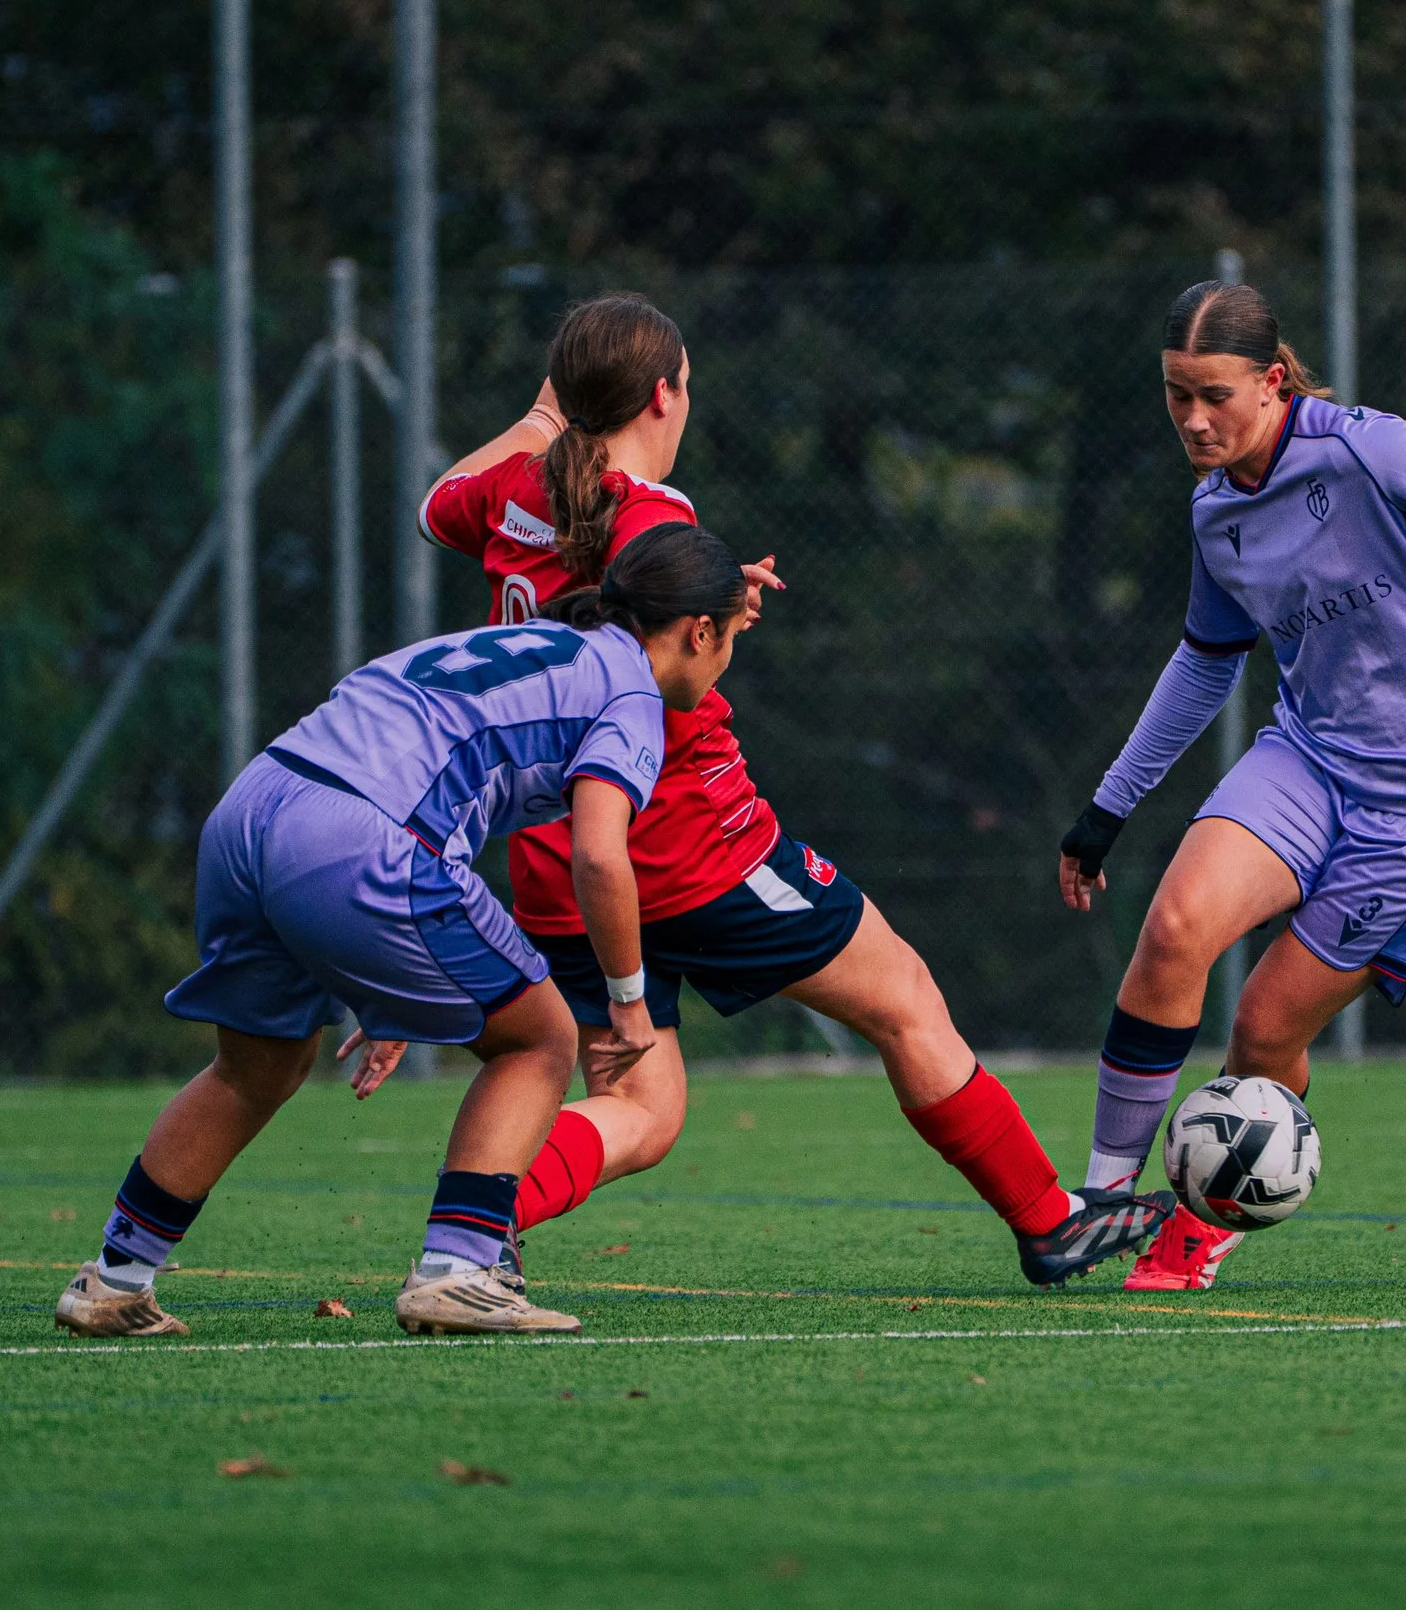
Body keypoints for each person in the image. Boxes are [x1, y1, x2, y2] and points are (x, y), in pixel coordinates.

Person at [412, 292, 1171, 1288]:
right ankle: (1047, 1217)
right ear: (662, 394)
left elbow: (441, 505)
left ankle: (478, 1226)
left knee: (644, 1110)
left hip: (561, 861)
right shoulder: (651, 511)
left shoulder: (517, 491)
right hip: (689, 845)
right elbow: (646, 629)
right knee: (901, 992)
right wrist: (712, 598)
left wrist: (549, 422)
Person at [54, 524, 737, 1338]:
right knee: (543, 1038)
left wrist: (393, 983)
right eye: (730, 636)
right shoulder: (630, 696)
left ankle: (115, 1278)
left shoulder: (540, 641)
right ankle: (459, 1269)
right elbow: (598, 853)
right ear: (700, 632)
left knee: (254, 1067)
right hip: (363, 837)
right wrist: (629, 1001)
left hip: (253, 809)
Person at [1055, 280, 1406, 1291]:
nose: (1194, 420)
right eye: (1175, 396)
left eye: (1214, 394)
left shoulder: (1361, 447)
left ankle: (1209, 1219)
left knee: (1261, 1029)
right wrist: (1107, 807)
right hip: (1312, 755)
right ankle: (1097, 1204)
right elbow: (1207, 662)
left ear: (1274, 380)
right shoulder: (1214, 510)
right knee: (1172, 931)